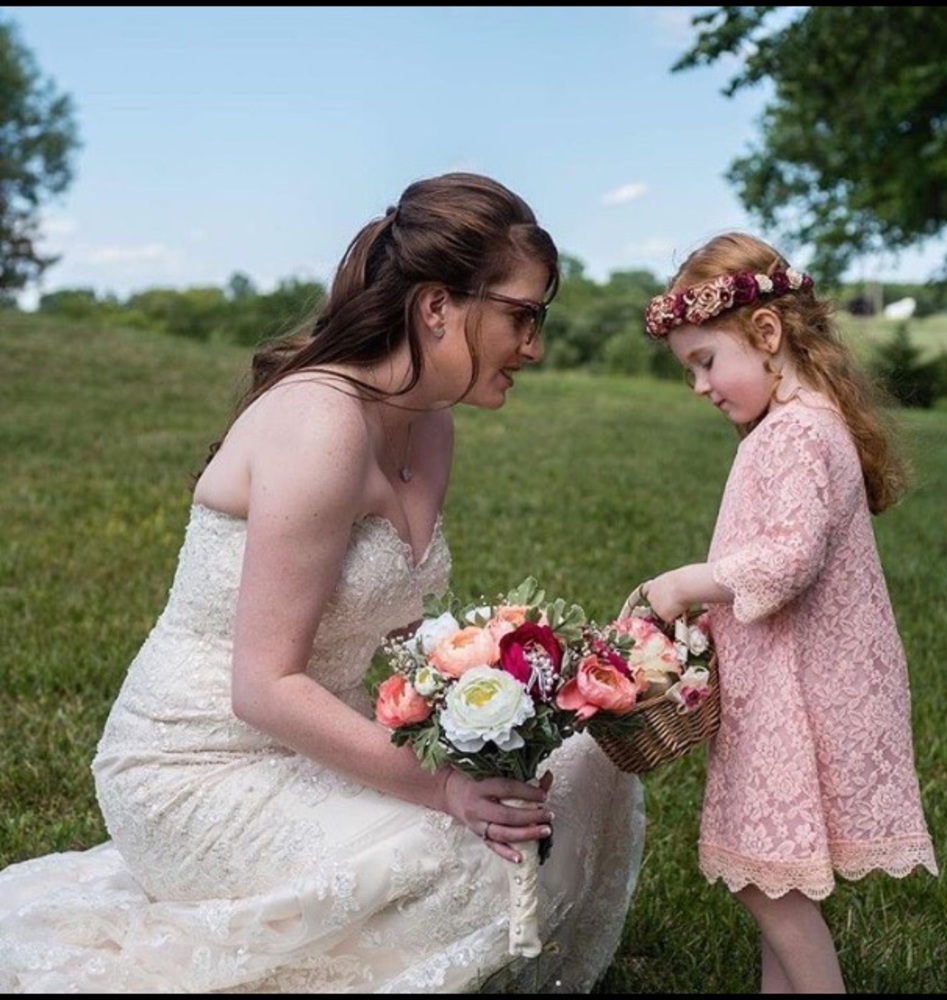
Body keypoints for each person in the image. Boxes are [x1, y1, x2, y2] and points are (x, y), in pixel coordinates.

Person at [0, 172, 645, 994]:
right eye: (522, 316)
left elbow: (401, 637)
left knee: (584, 765)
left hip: (317, 749)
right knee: (473, 860)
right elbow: (262, 688)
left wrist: (522, 684)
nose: (535, 346)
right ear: (437, 307)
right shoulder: (319, 425)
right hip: (197, 769)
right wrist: (446, 789)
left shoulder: (429, 426)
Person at [625, 231, 938, 994]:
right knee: (776, 874)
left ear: (766, 334)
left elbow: (789, 557)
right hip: (792, 682)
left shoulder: (798, 432)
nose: (700, 386)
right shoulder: (799, 422)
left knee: (765, 885)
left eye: (706, 361)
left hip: (800, 697)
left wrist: (683, 585)